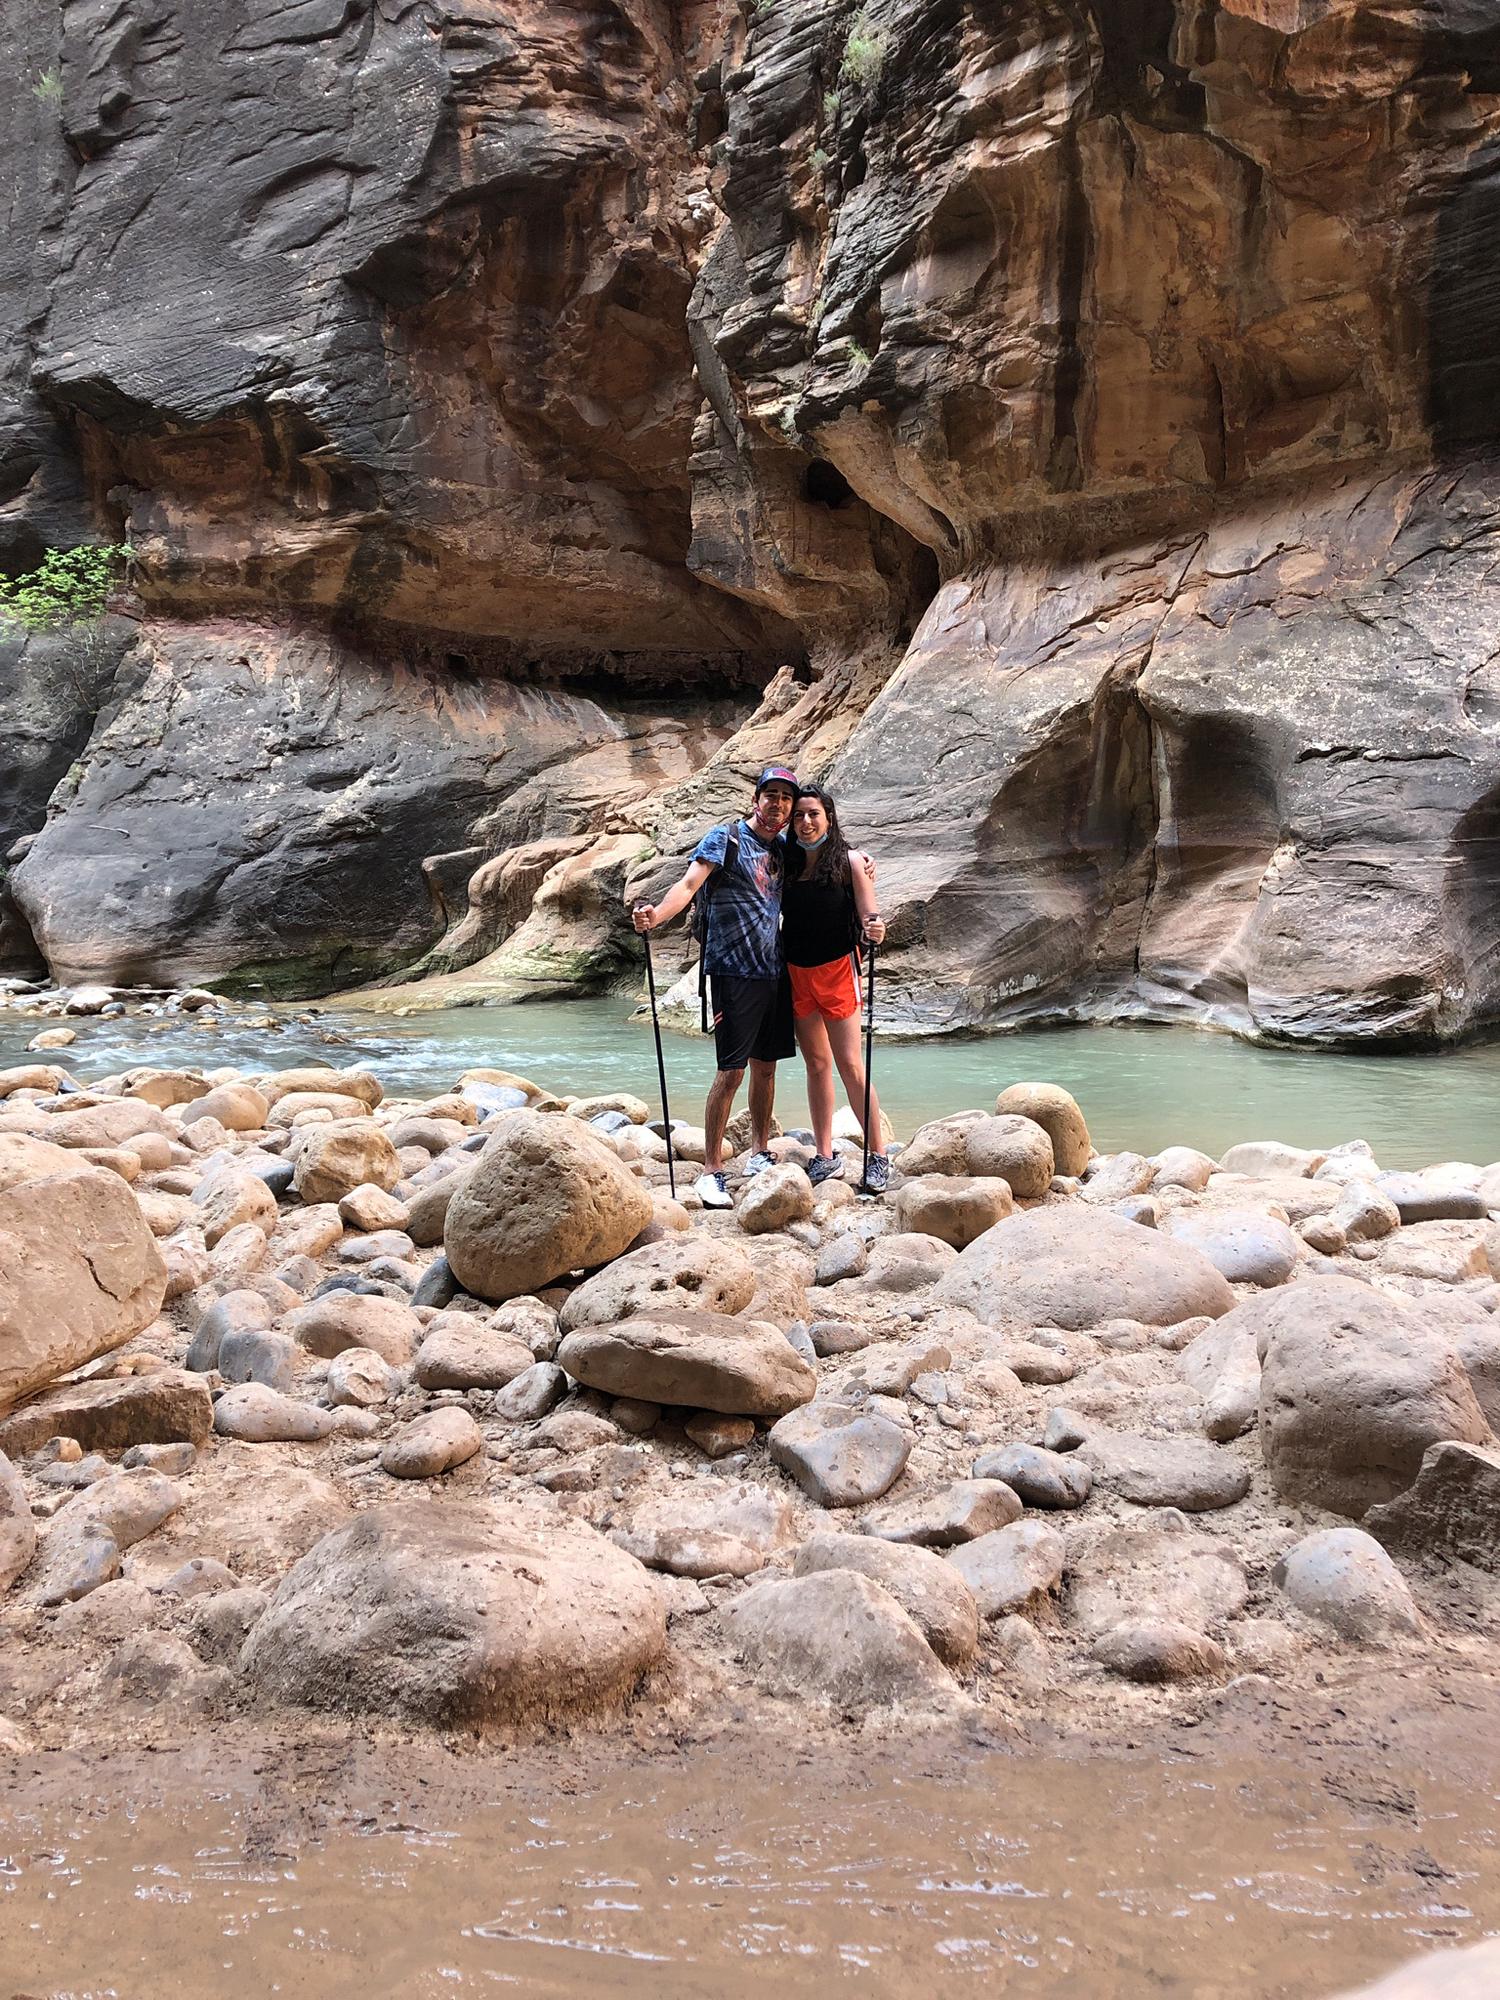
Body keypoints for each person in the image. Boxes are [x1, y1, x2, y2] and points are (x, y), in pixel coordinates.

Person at [631, 766, 798, 1209]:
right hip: (731, 971)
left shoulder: (784, 847)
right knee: (732, 1072)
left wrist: (865, 864)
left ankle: (760, 1150)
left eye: (786, 797)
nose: (778, 804)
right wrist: (656, 917)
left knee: (766, 1067)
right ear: (756, 799)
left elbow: (829, 852)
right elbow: (688, 884)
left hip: (774, 971)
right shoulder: (725, 839)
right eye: (771, 795)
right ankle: (710, 1170)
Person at [782, 782, 890, 1192]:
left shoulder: (850, 861)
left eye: (814, 814)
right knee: (816, 1064)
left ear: (829, 818)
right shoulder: (787, 863)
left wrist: (875, 928)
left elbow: (869, 913)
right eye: (800, 815)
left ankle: (877, 1153)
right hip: (796, 972)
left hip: (837, 970)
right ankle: (825, 1155)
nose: (806, 822)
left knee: (850, 1065)